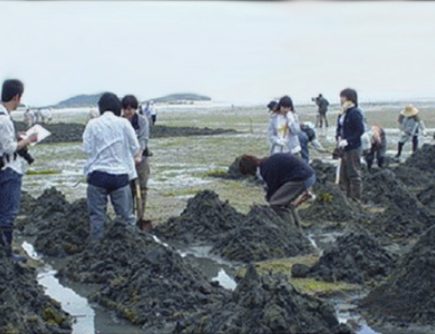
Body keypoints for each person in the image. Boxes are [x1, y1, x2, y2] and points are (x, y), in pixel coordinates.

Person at [83, 92, 141, 242]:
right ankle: (130, 247)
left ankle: (96, 250)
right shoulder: (123, 123)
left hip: (97, 175)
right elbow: (135, 147)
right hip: (120, 175)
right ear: (118, 107)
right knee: (126, 218)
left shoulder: (92, 124)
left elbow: (87, 149)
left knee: (97, 218)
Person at [0, 79, 38, 261]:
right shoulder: (4, 120)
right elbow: (9, 148)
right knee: (8, 213)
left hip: (4, 168)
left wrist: (17, 137)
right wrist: (28, 139)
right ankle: (7, 255)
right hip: (8, 170)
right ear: (16, 96)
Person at [238, 154, 315, 226]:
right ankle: (298, 229)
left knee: (277, 204)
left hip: (301, 177)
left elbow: (273, 187)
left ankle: (290, 231)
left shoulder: (265, 169)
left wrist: (269, 198)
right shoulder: (266, 163)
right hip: (308, 175)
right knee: (286, 203)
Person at [121, 95, 150, 224]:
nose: (129, 112)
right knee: (127, 189)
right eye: (126, 109)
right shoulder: (120, 122)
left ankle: (140, 216)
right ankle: (129, 216)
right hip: (125, 161)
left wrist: (138, 155)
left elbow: (143, 139)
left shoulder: (142, 121)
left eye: (131, 108)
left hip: (141, 159)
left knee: (141, 189)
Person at [336, 88, 365, 201]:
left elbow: (360, 130)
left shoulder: (355, 112)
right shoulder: (343, 113)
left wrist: (348, 140)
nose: (341, 100)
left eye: (342, 97)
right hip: (344, 147)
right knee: (343, 174)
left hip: (353, 147)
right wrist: (338, 137)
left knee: (353, 173)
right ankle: (346, 198)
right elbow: (340, 127)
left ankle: (356, 198)